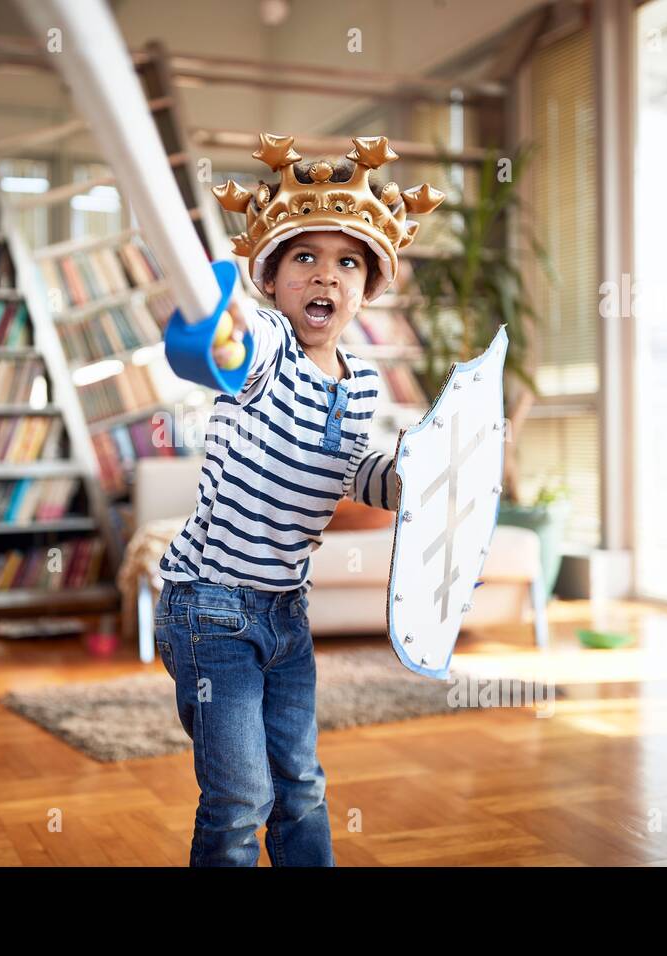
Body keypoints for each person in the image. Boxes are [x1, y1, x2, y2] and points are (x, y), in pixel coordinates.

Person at [153, 134, 445, 866]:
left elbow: (355, 472)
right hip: (210, 606)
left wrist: (421, 477)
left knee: (302, 787)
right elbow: (231, 345)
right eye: (305, 258)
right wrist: (217, 326)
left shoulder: (363, 382)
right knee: (239, 797)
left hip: (288, 612)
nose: (327, 276)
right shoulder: (270, 347)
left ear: (368, 288)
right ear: (273, 281)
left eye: (347, 262)